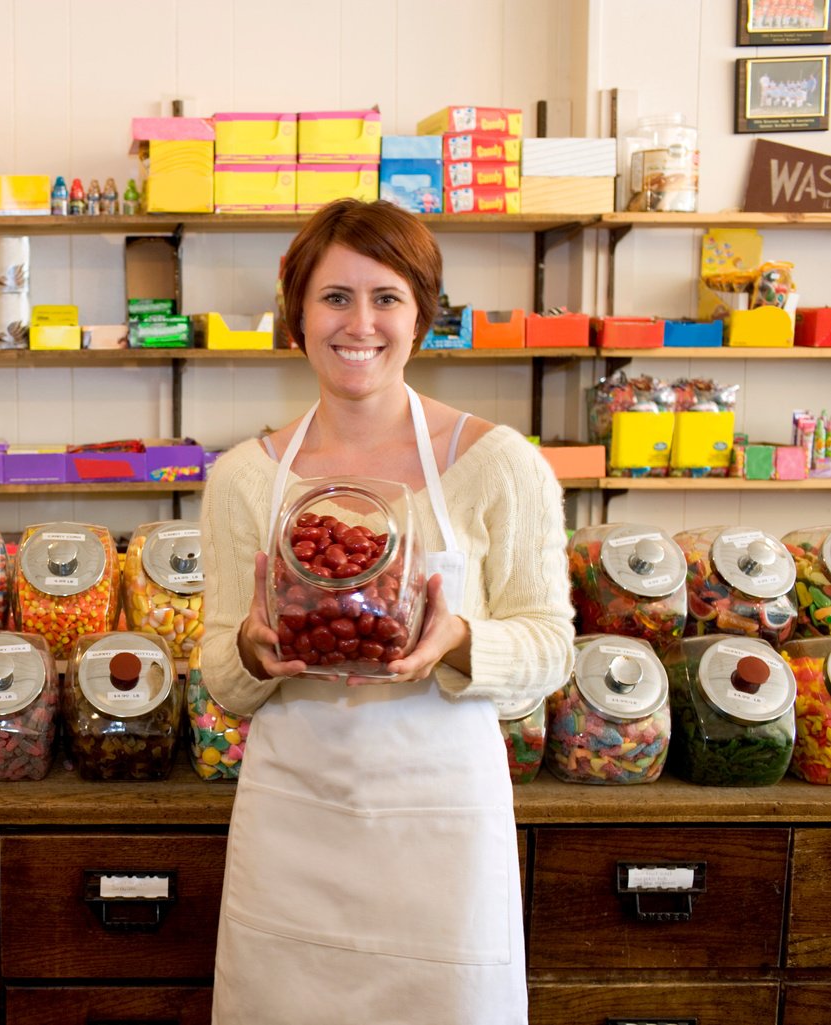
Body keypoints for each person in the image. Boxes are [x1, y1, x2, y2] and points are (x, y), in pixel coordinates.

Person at [200, 199, 575, 1025]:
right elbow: (221, 675)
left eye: (385, 298)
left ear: (420, 315)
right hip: (293, 822)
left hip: (440, 824)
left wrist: (460, 639)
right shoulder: (243, 478)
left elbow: (551, 646)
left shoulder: (497, 462)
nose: (358, 323)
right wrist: (255, 651)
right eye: (334, 297)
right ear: (296, 316)